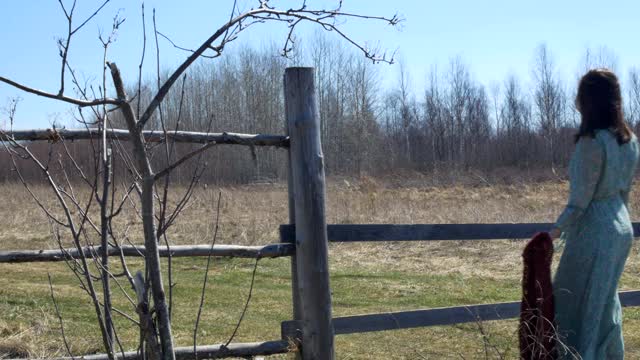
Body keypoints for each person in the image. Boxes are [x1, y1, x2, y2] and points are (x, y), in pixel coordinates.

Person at [549, 68, 639, 359]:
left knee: (572, 301)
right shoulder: (629, 141)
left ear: (588, 100)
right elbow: (624, 193)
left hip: (595, 232)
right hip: (621, 229)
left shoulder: (592, 142)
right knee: (602, 304)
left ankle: (580, 356)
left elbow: (580, 201)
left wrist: (555, 231)